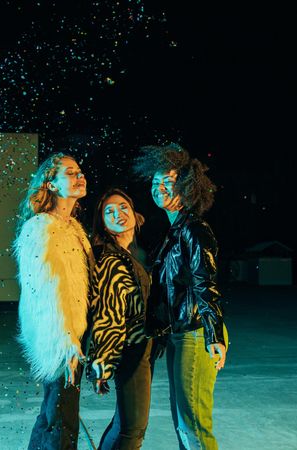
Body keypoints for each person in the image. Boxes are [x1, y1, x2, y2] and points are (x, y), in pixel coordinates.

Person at [133, 144, 228, 450]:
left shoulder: (195, 230)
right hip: (180, 334)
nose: (159, 188)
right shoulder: (174, 231)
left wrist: (214, 334)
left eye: (168, 183)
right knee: (183, 420)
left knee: (194, 422)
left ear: (187, 187)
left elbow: (205, 284)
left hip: (196, 333)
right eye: (155, 183)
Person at [13, 153, 94, 450]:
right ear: (51, 184)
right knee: (62, 418)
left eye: (80, 171)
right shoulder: (41, 228)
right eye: (70, 173)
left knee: (55, 413)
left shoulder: (73, 228)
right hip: (60, 339)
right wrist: (65, 341)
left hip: (74, 335)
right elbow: (44, 292)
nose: (79, 176)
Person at [89, 188, 152, 450]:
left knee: (125, 423)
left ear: (135, 213)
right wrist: (103, 362)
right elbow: (108, 314)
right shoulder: (110, 259)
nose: (119, 214)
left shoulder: (132, 254)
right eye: (110, 211)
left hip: (141, 347)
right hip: (129, 350)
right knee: (132, 428)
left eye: (123, 207)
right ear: (102, 222)